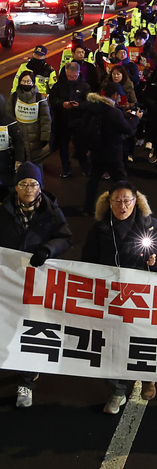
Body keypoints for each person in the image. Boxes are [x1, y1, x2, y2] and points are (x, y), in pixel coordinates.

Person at [81, 180, 157, 413]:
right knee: (112, 342)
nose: (122, 206)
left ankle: (148, 378)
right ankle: (117, 390)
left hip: (143, 296)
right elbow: (87, 261)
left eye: (127, 201)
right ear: (108, 203)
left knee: (143, 337)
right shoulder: (100, 228)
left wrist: (156, 260)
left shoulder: (150, 225)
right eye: (117, 201)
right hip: (111, 296)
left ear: (136, 201)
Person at [0, 162, 72, 407]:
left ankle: (26, 382)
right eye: (24, 184)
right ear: (16, 186)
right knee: (6, 326)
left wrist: (47, 250)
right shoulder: (4, 209)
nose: (29, 188)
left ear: (40, 186)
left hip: (36, 281)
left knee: (30, 330)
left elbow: (65, 237)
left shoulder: (51, 211)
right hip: (8, 280)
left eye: (33, 183)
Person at [82, 83, 141, 216]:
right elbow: (127, 128)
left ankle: (87, 207)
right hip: (112, 152)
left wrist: (121, 114)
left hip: (96, 150)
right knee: (122, 181)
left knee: (93, 180)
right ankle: (128, 206)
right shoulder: (113, 111)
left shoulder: (95, 106)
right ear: (115, 95)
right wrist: (136, 118)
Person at [48, 62, 91, 178]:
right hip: (63, 121)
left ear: (79, 73)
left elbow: (89, 102)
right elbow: (52, 100)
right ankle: (66, 168)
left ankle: (85, 167)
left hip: (78, 121)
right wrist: (62, 104)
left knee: (81, 146)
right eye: (70, 76)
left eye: (74, 76)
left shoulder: (84, 86)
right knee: (63, 146)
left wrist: (79, 105)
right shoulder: (59, 85)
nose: (72, 79)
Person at [6, 72, 51, 174]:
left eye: (28, 81)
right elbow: (9, 117)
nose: (26, 83)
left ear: (33, 82)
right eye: (23, 81)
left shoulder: (40, 98)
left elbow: (46, 120)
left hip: (35, 138)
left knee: (36, 170)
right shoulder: (14, 98)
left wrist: (45, 138)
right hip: (19, 137)